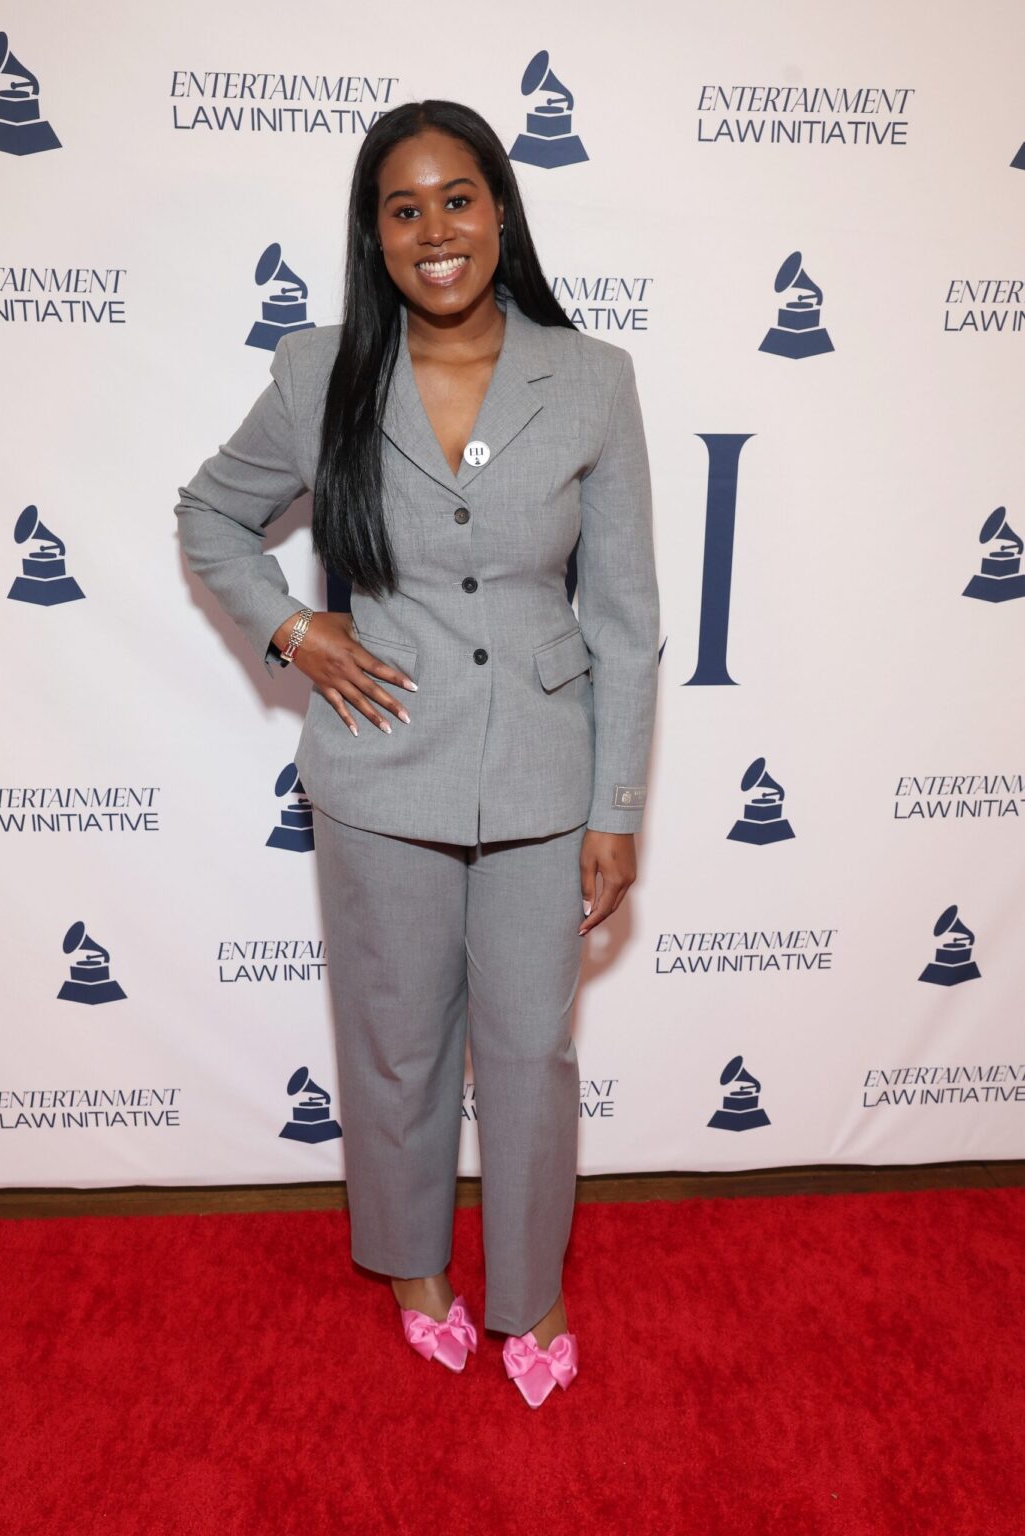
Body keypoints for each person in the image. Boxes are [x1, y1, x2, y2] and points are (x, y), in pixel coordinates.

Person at [174, 99, 659, 1409]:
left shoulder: (592, 377)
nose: (434, 229)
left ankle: (532, 1287)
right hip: (379, 763)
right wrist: (293, 628)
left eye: (457, 199)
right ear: (375, 233)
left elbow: (623, 615)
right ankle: (412, 1267)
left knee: (530, 1053)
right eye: (405, 208)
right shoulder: (318, 370)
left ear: (499, 211)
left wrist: (617, 804)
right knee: (394, 1044)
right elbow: (211, 514)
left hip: (544, 775)